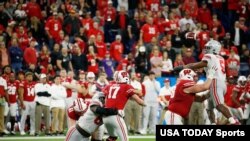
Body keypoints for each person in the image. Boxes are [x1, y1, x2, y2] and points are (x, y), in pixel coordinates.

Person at [173, 40, 238, 124]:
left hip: (215, 82)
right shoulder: (221, 58)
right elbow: (222, 70)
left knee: (219, 105)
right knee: (209, 108)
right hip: (221, 83)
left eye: (208, 48)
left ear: (214, 49)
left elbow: (194, 65)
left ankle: (234, 121)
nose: (206, 49)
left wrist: (182, 67)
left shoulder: (209, 56)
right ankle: (213, 124)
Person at [102, 70, 146, 141]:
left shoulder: (109, 85)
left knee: (112, 137)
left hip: (105, 116)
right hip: (115, 116)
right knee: (125, 139)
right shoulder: (127, 86)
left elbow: (105, 99)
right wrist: (144, 104)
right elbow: (139, 101)